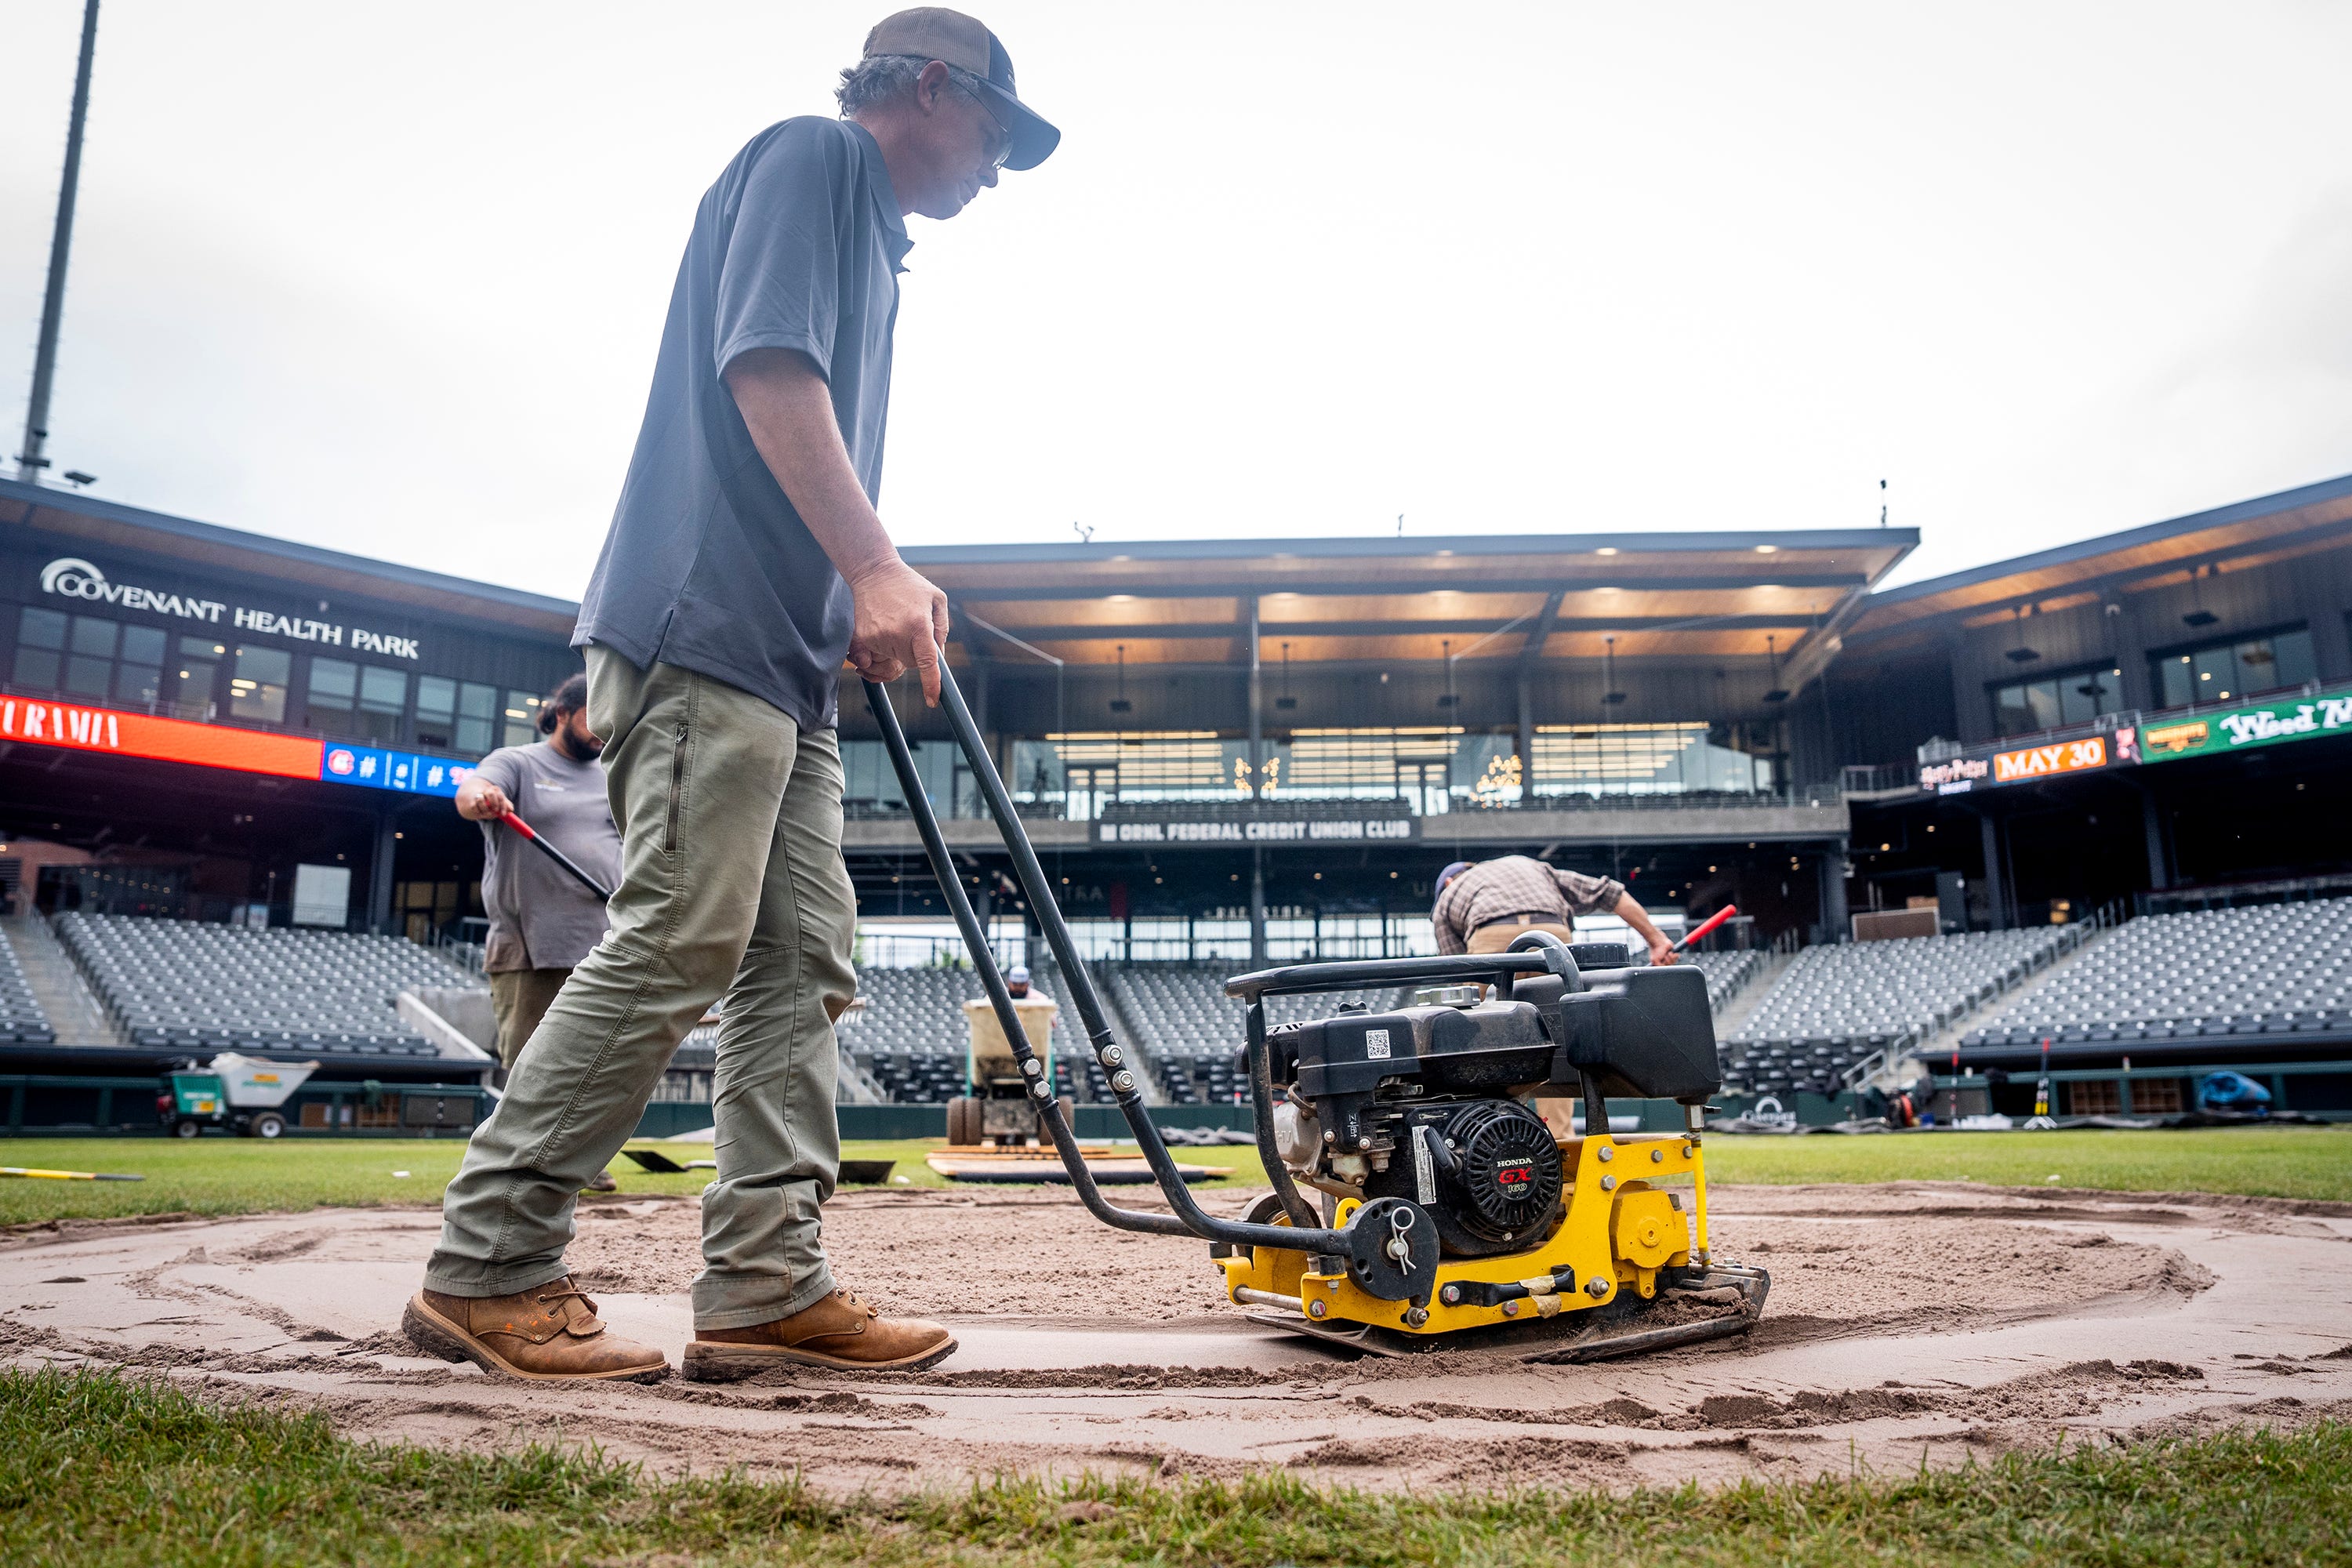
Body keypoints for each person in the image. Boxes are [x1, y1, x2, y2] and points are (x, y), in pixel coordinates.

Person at [408, 7, 1058, 1385]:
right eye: (997, 131)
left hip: (785, 661)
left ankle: (765, 1283)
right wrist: (872, 564)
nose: (995, 170)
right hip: (703, 627)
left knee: (806, 958)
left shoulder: (876, 244)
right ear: (930, 88)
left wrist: (851, 601)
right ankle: (490, 1264)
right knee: (681, 938)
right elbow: (765, 367)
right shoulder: (813, 156)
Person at [452, 673, 624, 1192]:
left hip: (605, 941)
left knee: (598, 1065)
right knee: (529, 1068)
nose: (602, 730)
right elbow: (470, 790)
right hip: (532, 944)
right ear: (565, 712)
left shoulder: (616, 773)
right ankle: (507, 1169)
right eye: (595, 716)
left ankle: (578, 1161)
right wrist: (483, 798)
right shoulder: (520, 762)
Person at [1432, 856, 1677, 967]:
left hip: (1492, 939)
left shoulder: (1449, 895)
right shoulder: (1530, 866)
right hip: (1551, 933)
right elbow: (1610, 893)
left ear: (1449, 882)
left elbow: (1457, 968)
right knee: (1557, 1017)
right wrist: (1656, 941)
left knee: (1487, 1021)